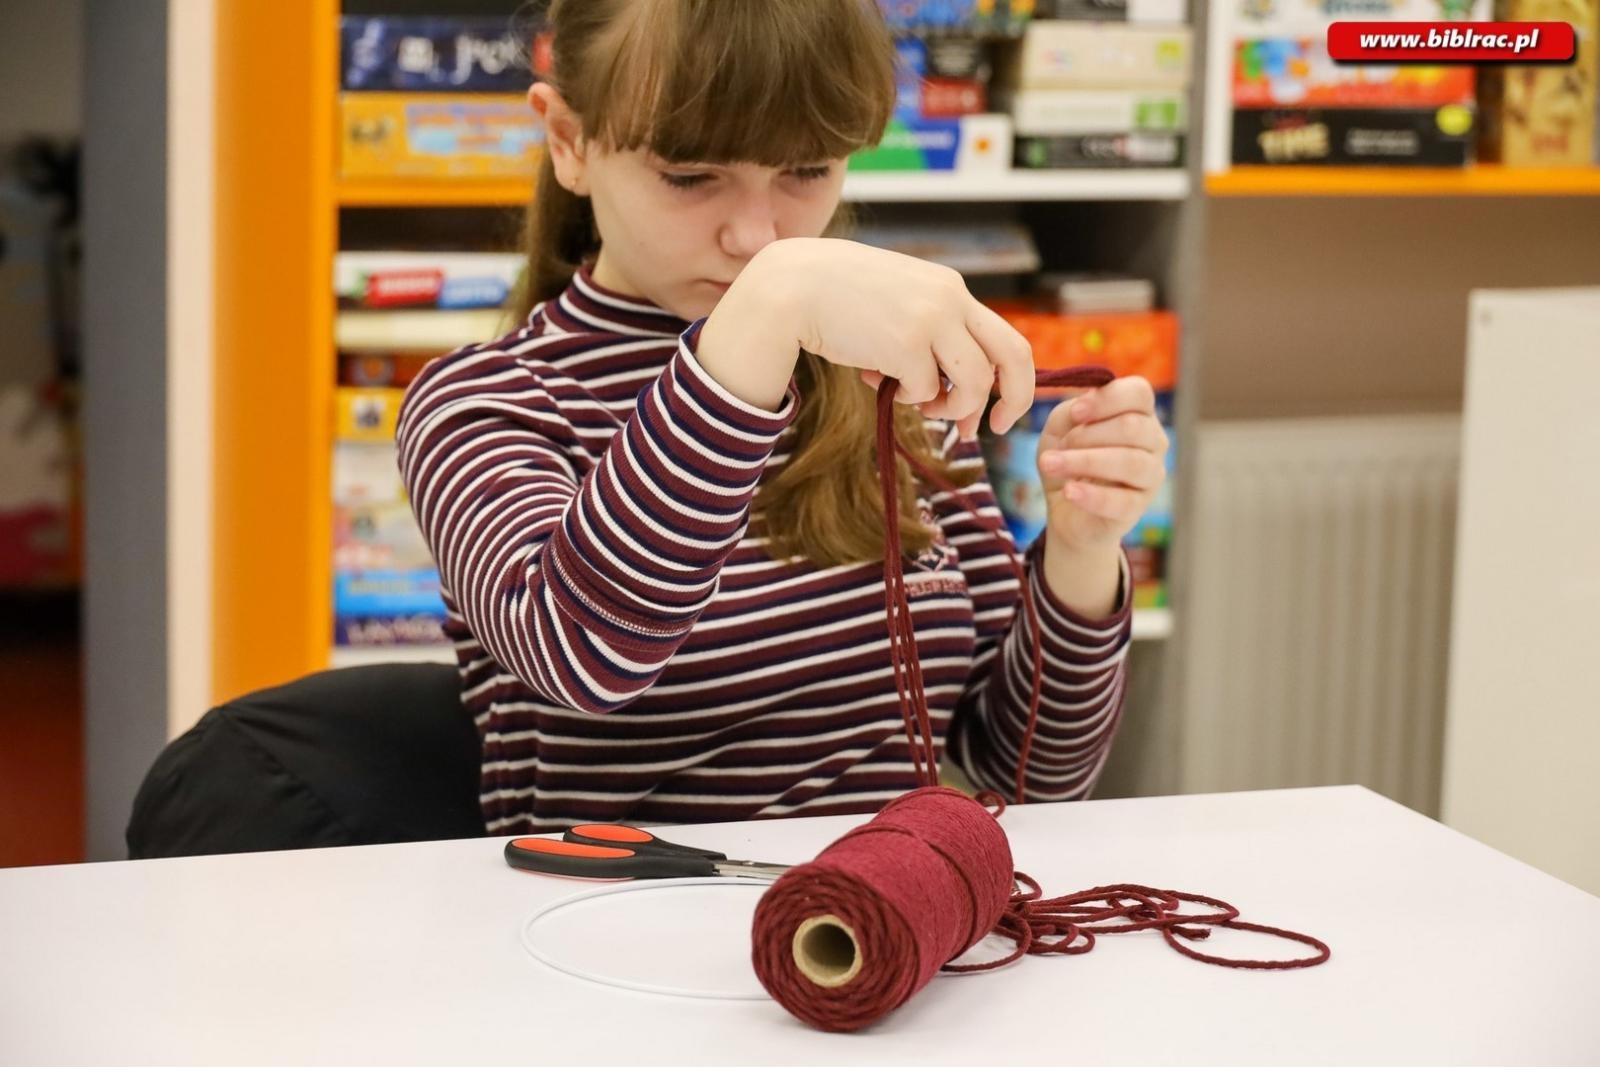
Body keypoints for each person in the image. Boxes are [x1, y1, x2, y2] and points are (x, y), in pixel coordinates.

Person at [396, 0, 1169, 835]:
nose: (756, 236)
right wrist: (766, 313)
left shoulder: (892, 390)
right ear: (568, 141)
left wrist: (1085, 553)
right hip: (607, 938)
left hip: (879, 928)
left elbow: (1026, 771)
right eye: (690, 175)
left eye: (806, 171)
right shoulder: (482, 402)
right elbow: (585, 655)